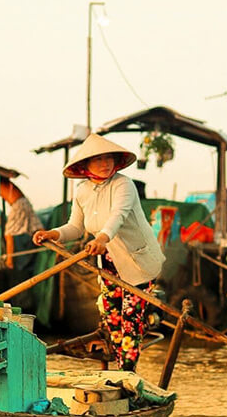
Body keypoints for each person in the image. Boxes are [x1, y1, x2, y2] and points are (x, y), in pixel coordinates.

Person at [33, 133, 165, 372]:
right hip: (109, 262)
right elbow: (75, 227)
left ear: (116, 161)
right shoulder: (82, 191)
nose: (105, 164)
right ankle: (117, 370)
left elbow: (118, 216)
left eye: (108, 158)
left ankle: (127, 375)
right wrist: (53, 234)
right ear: (85, 166)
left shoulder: (124, 184)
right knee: (112, 318)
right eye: (98, 159)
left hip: (138, 262)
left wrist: (102, 238)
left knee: (130, 321)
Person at [0, 174, 44, 269]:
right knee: (37, 228)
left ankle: (9, 261)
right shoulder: (6, 184)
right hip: (25, 202)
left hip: (18, 205)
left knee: (8, 233)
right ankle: (55, 244)